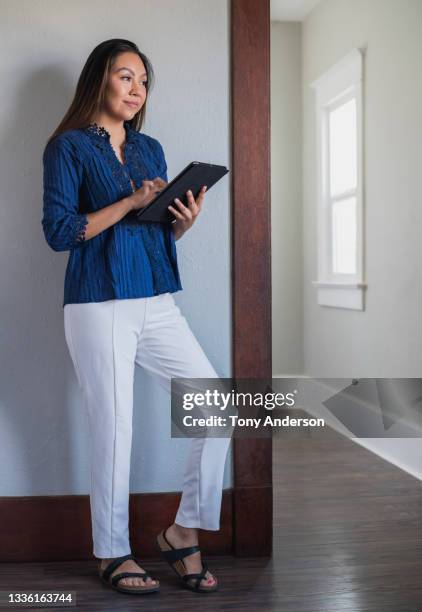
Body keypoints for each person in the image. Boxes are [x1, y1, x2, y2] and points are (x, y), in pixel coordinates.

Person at [42, 38, 231, 595]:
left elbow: (156, 232)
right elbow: (60, 232)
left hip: (156, 298)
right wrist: (126, 202)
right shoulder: (68, 148)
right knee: (115, 429)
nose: (136, 89)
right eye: (126, 76)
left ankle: (182, 531)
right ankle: (113, 552)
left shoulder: (151, 149)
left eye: (143, 81)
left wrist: (182, 222)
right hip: (98, 302)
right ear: (100, 79)